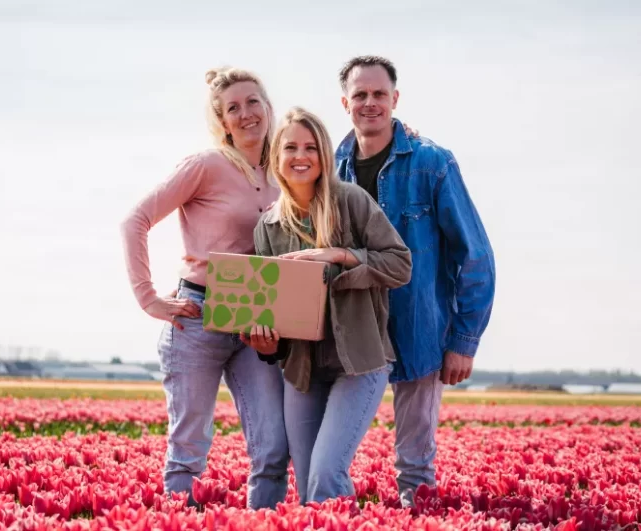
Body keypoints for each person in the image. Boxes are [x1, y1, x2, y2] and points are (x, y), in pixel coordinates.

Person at [119, 66, 290, 510]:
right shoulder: (206, 165)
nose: (246, 113)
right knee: (189, 447)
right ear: (222, 120)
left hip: (260, 319)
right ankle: (181, 519)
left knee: (273, 445)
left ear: (269, 107)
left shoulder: (286, 168)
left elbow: (333, 165)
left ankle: (267, 521)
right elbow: (134, 220)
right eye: (233, 108)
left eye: (253, 102)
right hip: (197, 315)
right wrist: (149, 299)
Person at [332, 55, 496, 506]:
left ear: (395, 99)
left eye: (379, 94)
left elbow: (475, 254)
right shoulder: (330, 169)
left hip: (418, 325)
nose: (370, 103)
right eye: (360, 95)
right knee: (330, 453)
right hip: (351, 327)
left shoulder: (432, 163)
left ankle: (418, 517)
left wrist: (464, 338)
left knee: (415, 461)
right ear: (345, 102)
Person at [242, 106, 412, 504]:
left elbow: (400, 264)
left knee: (325, 473)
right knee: (306, 484)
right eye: (290, 148)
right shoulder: (268, 227)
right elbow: (272, 313)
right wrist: (267, 344)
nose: (300, 156)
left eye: (310, 147)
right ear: (276, 158)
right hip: (303, 368)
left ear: (323, 154)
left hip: (360, 361)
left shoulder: (352, 201)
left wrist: (339, 255)